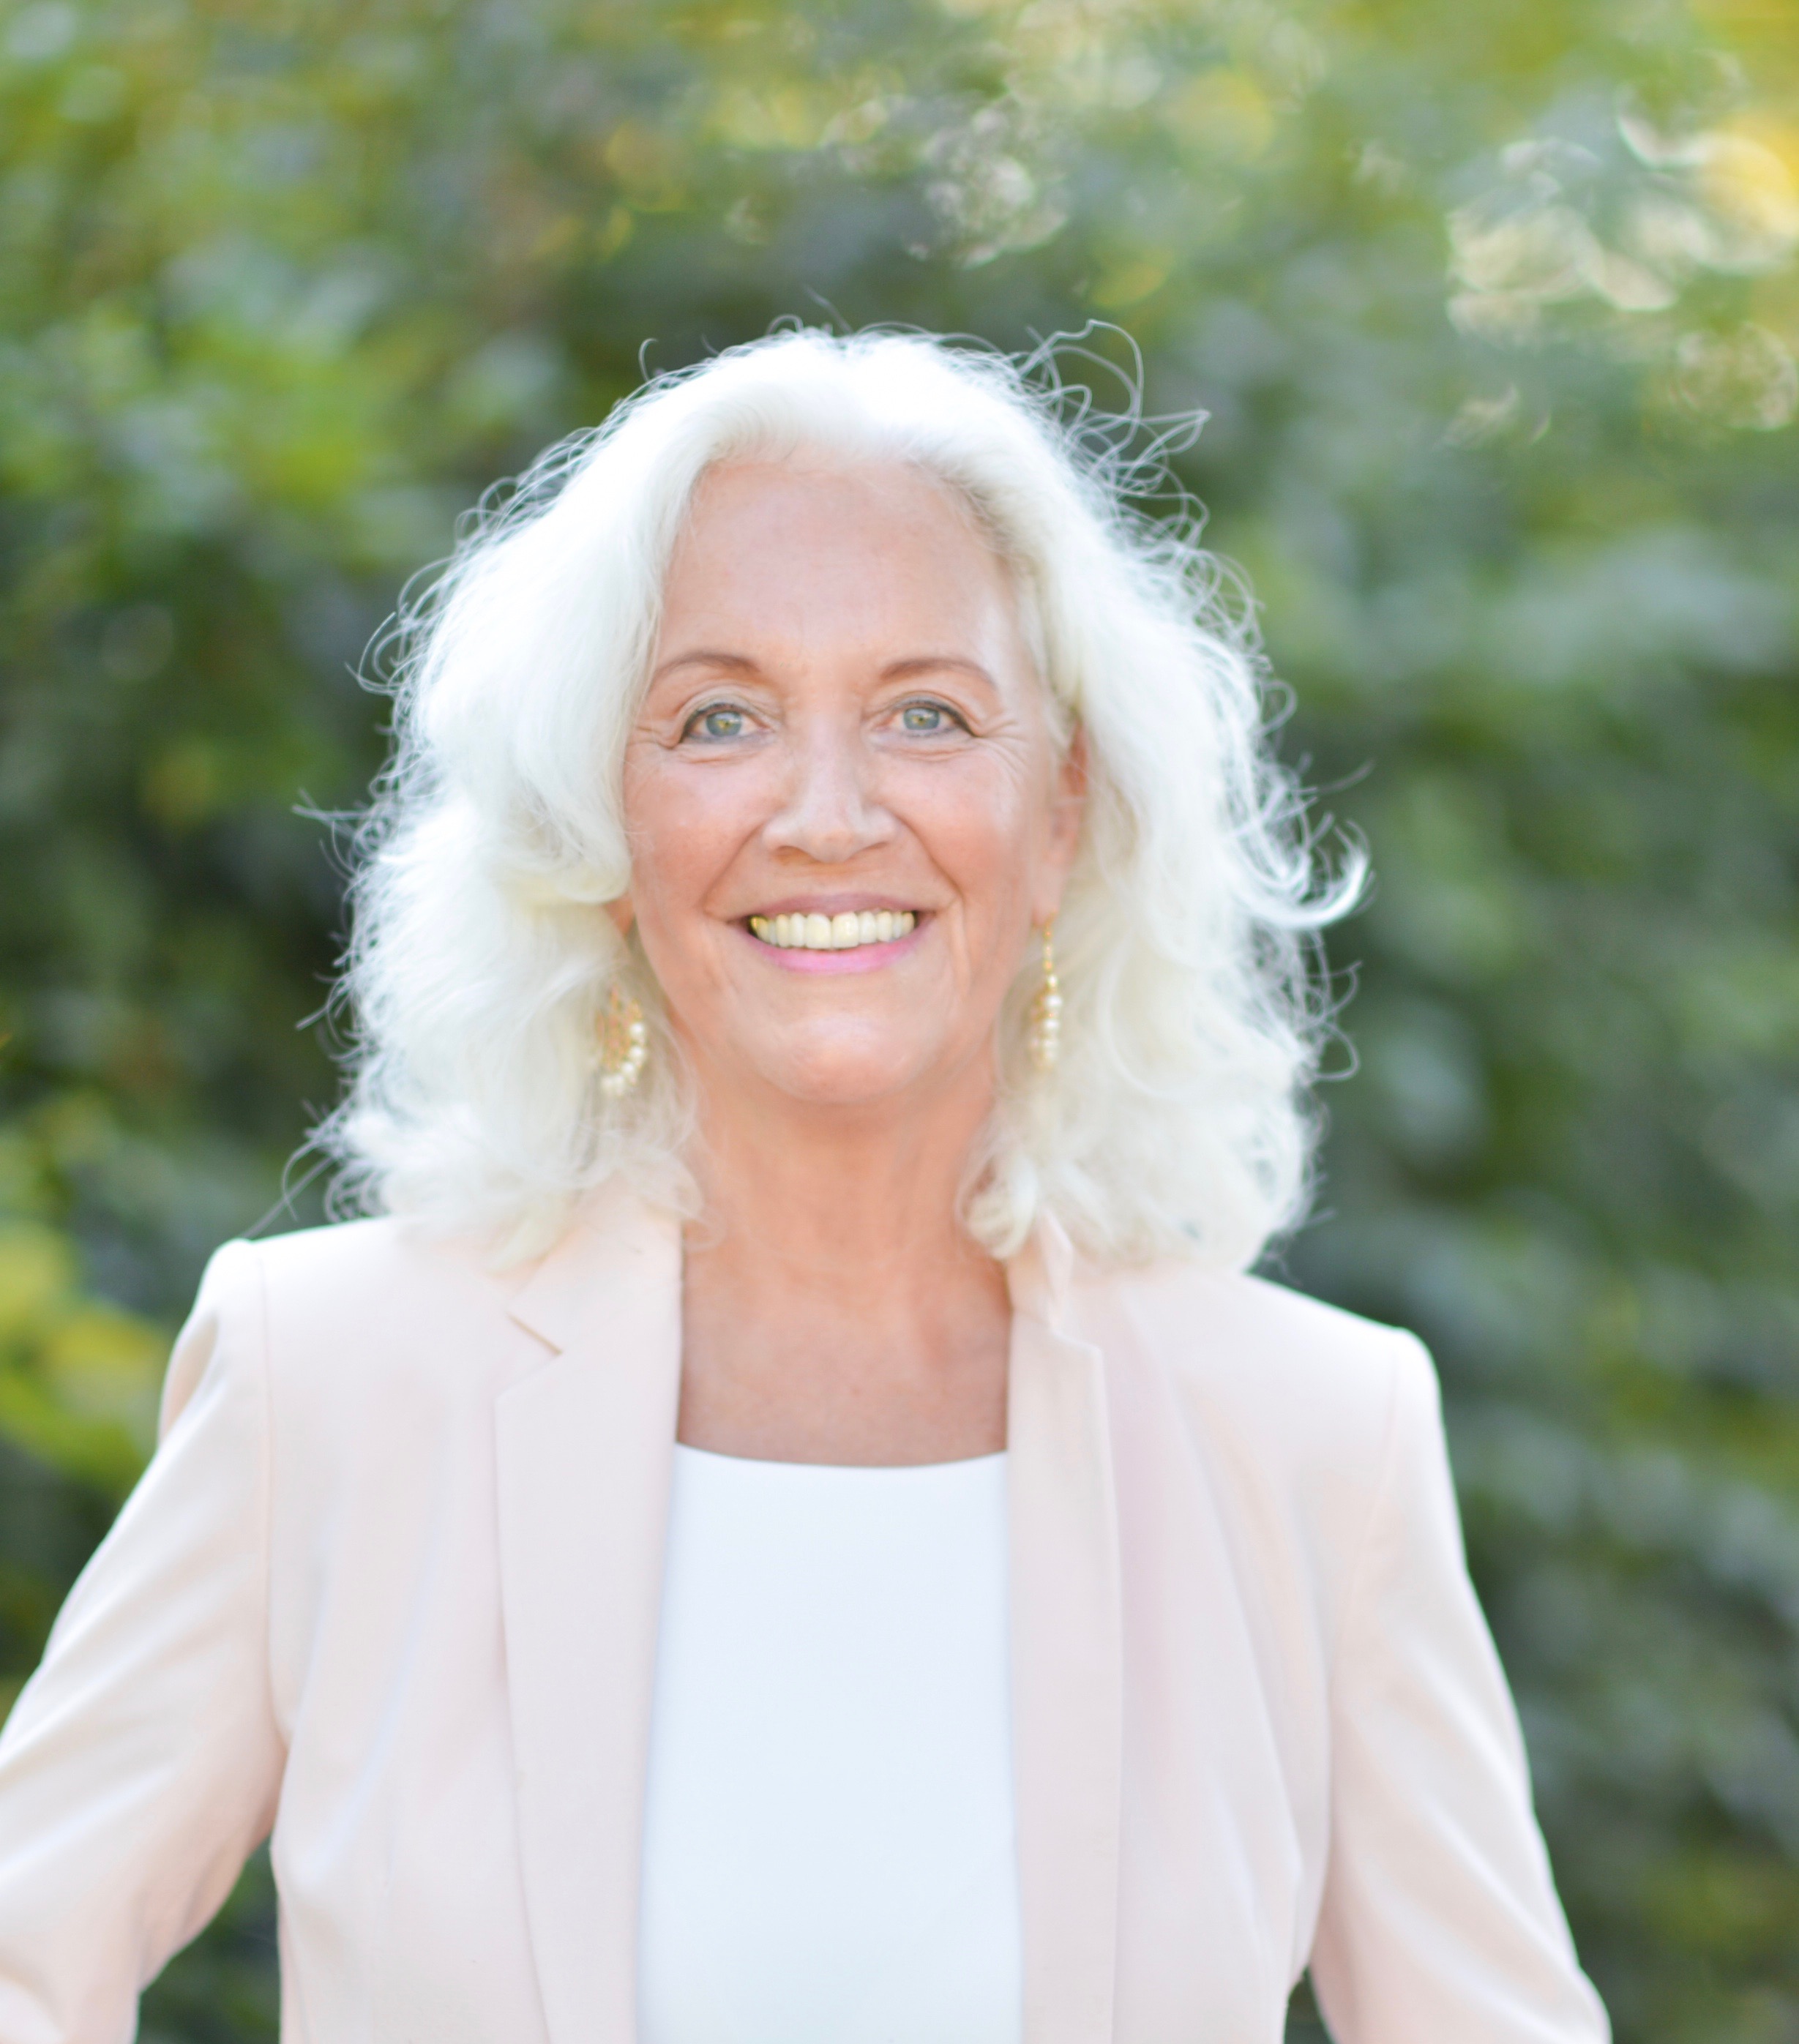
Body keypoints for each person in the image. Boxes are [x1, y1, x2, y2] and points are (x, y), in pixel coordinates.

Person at [0, 329, 1609, 2044]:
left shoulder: (1310, 1431)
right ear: (599, 815)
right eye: (720, 717)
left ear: (1061, 808)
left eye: (926, 714)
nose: (827, 816)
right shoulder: (326, 1373)